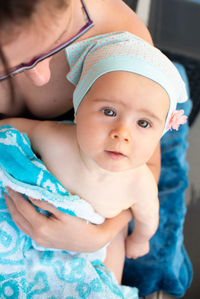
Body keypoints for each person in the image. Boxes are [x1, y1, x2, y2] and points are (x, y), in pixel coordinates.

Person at [1, 32, 188, 286]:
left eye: (143, 123)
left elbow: (147, 218)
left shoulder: (139, 182)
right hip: (27, 225)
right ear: (78, 111)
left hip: (92, 242)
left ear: (159, 136)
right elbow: (14, 130)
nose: (121, 134)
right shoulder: (56, 139)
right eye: (109, 112)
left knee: (107, 271)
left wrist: (139, 240)